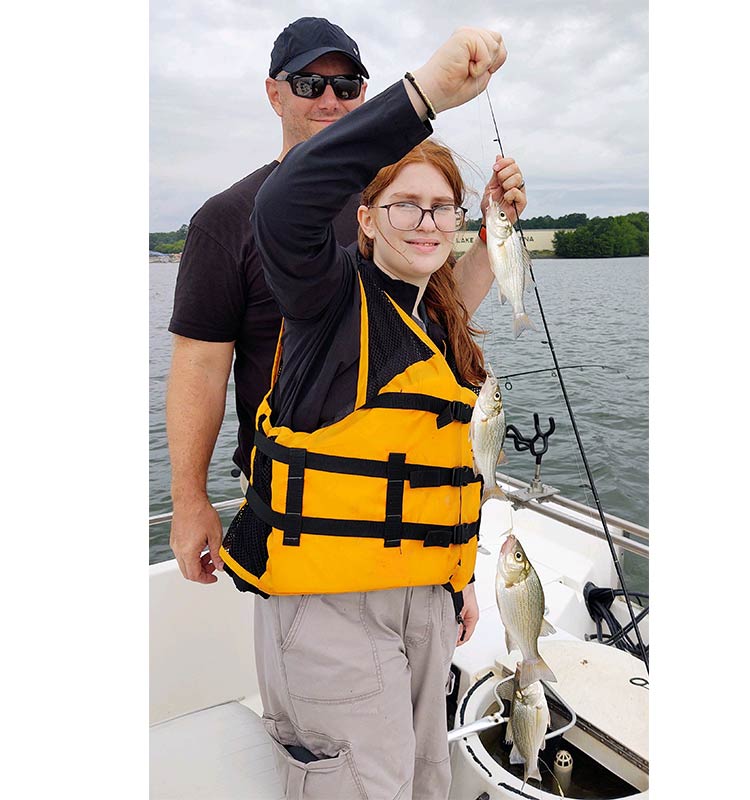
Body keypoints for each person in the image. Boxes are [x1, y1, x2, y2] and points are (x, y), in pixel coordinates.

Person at [219, 27, 515, 800]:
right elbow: (283, 206)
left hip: (425, 601)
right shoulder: (327, 302)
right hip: (332, 612)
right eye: (405, 204)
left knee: (423, 782)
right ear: (365, 218)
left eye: (441, 208)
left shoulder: (430, 317)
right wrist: (427, 96)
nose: (427, 221)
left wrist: (455, 580)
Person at [166, 17, 528, 588]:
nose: (330, 98)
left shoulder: (398, 200)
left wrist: (491, 234)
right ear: (274, 93)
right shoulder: (231, 219)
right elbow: (200, 367)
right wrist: (189, 497)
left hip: (416, 505)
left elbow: (433, 318)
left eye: (347, 84)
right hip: (306, 501)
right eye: (309, 84)